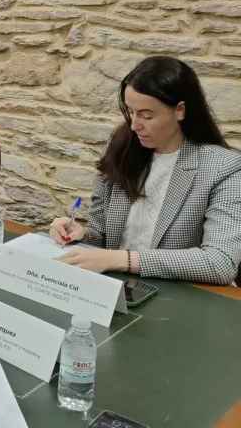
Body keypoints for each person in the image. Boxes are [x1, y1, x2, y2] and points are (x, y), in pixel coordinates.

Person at [50, 56, 241, 285]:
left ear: (179, 110)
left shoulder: (224, 167)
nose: (134, 125)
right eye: (130, 111)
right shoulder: (123, 148)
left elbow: (220, 263)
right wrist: (80, 235)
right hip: (116, 289)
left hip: (180, 297)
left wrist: (121, 259)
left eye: (146, 115)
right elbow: (102, 235)